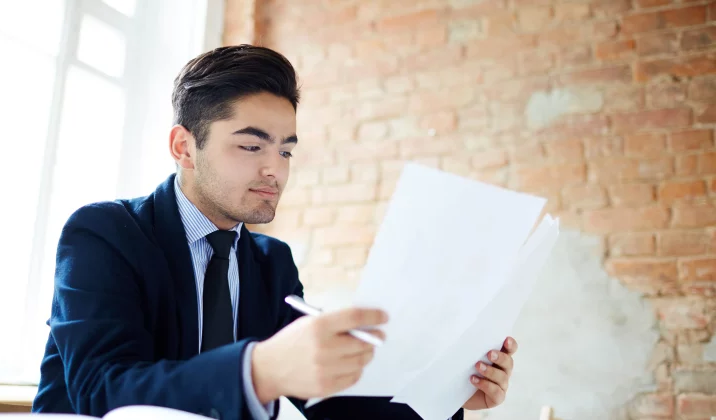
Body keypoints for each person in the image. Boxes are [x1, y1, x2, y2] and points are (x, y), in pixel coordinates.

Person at [31, 44, 518, 420]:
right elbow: (102, 390)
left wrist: (447, 395)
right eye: (250, 147)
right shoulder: (104, 234)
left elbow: (321, 399)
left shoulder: (271, 262)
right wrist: (257, 369)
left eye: (286, 151)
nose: (275, 172)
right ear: (183, 146)